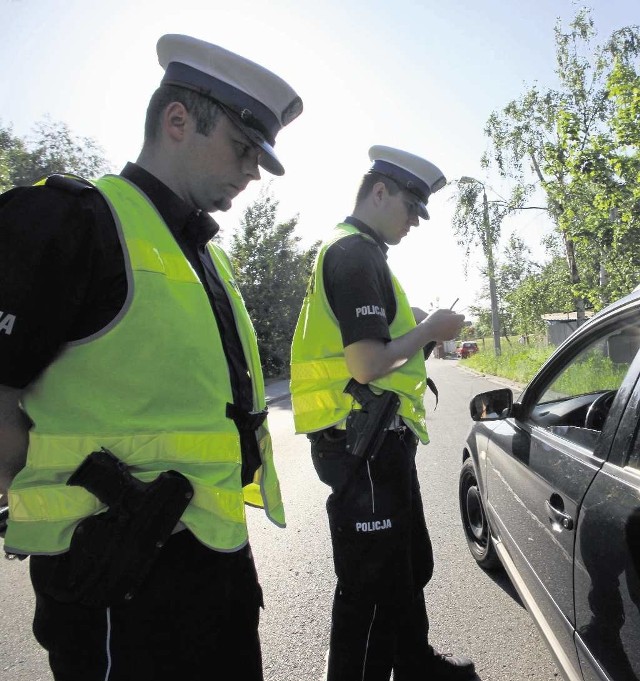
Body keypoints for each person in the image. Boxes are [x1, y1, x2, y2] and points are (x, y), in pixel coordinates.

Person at [0, 34, 302, 681]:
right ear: (178, 121)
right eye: (244, 148)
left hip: (217, 579)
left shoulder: (205, 257)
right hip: (119, 595)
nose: (253, 170)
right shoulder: (73, 223)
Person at [290, 146, 475, 681]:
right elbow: (367, 363)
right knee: (369, 585)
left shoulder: (361, 253)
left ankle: (413, 662)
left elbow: (372, 344)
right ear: (379, 192)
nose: (415, 221)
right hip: (361, 441)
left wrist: (410, 325)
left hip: (375, 439)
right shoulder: (354, 254)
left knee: (405, 564)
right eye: (411, 208)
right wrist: (430, 330)